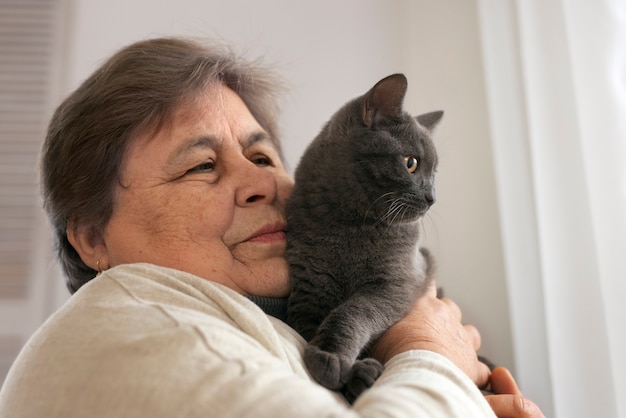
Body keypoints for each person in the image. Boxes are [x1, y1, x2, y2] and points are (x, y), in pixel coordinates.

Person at [0, 37, 544, 418]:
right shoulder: (126, 329)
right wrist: (428, 349)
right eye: (202, 166)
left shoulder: (266, 328)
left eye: (262, 157)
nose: (261, 184)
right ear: (93, 238)